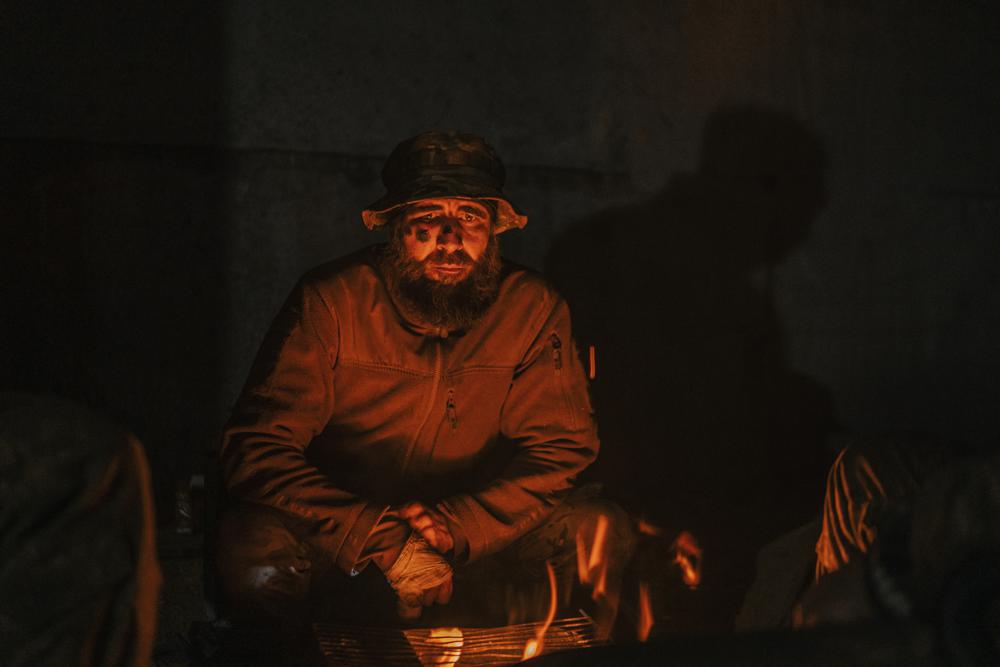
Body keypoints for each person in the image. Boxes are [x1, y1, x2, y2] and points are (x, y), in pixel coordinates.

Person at [216, 131, 631, 634]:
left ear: (492, 232)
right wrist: (383, 539)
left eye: (471, 218)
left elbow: (563, 448)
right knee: (253, 550)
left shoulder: (532, 307)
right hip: (345, 537)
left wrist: (459, 526)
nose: (451, 239)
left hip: (476, 536)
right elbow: (257, 449)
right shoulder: (333, 300)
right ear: (396, 229)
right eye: (429, 218)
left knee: (595, 529)